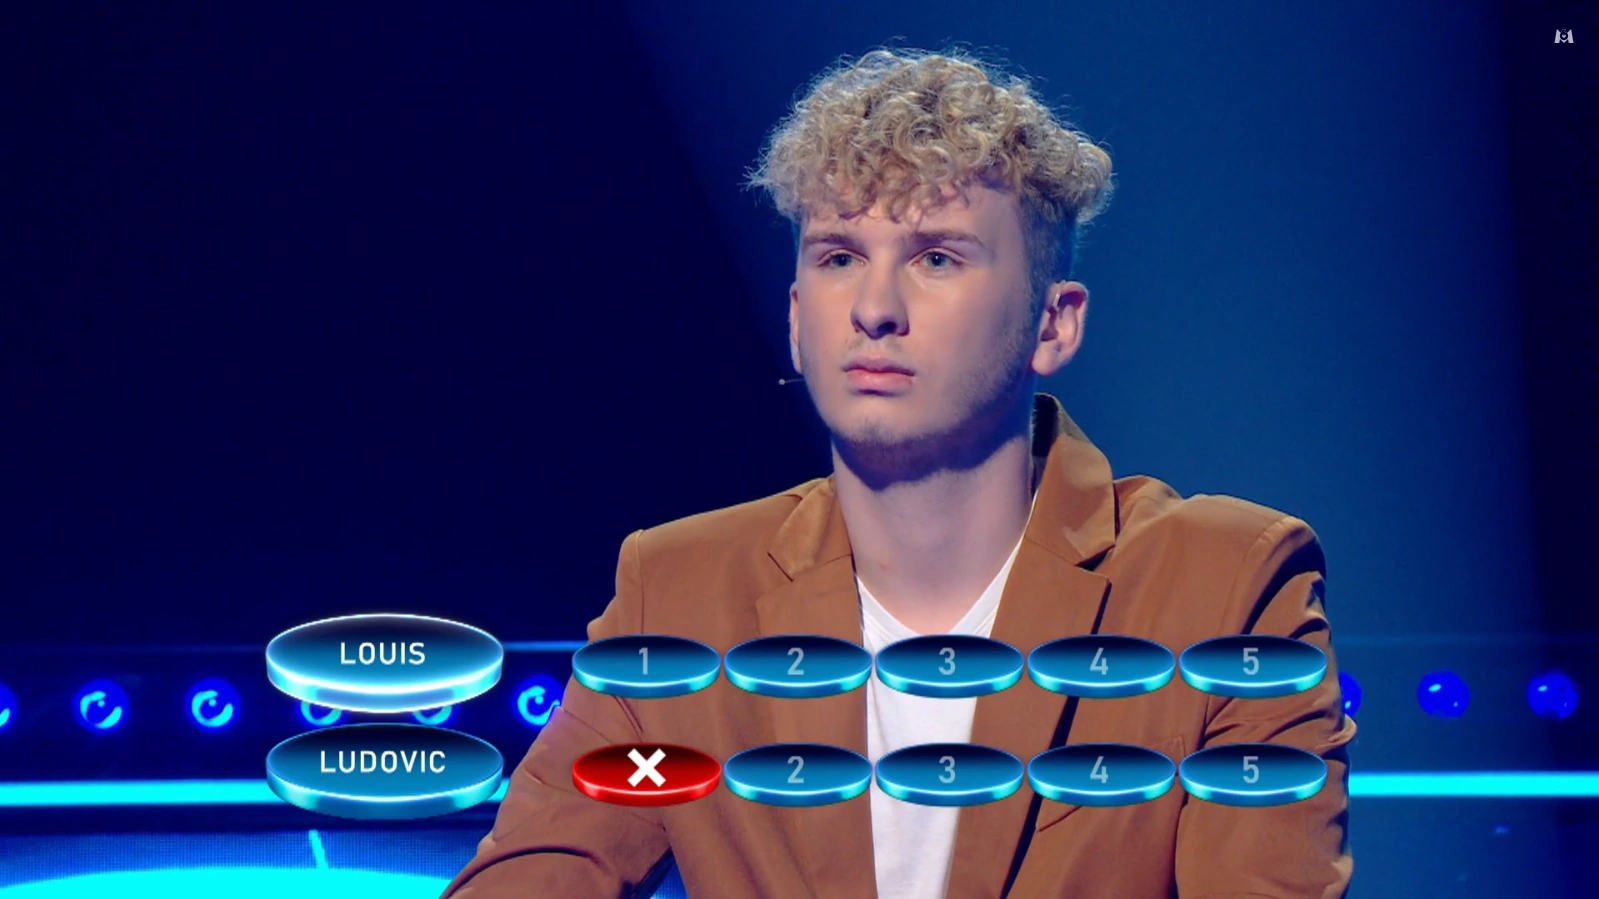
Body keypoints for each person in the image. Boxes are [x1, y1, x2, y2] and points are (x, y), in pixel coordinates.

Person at [442, 47, 1354, 899]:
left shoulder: (1225, 586)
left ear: (1053, 324)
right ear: (795, 319)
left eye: (936, 258)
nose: (874, 309)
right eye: (840, 258)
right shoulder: (678, 590)